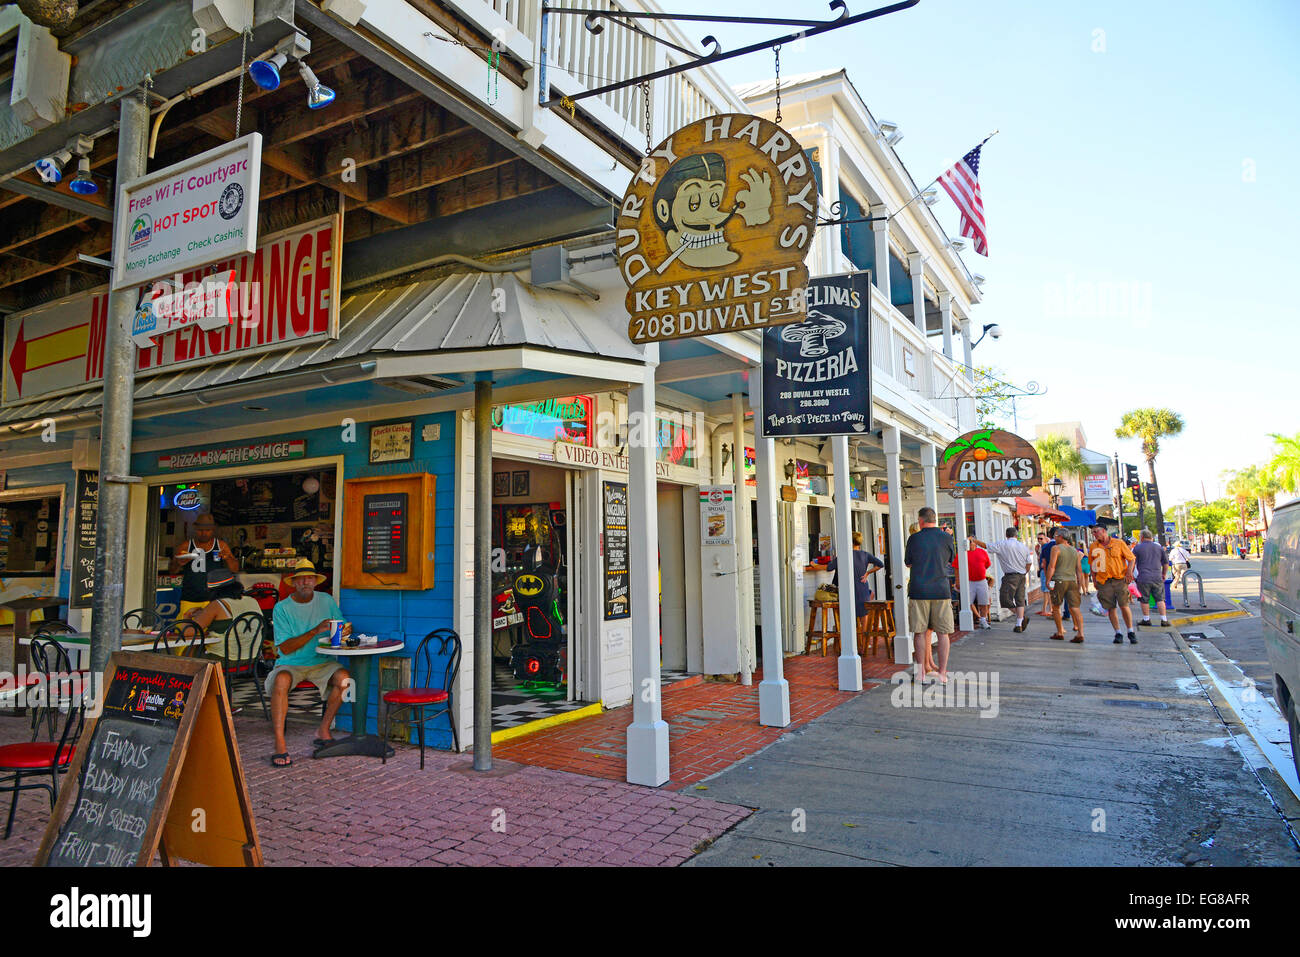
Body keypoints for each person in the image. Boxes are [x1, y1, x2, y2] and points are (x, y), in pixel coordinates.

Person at [267, 559, 352, 767]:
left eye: (310, 578)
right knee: (281, 679)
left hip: (322, 662)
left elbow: (341, 626)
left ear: (316, 581)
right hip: (291, 663)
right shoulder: (282, 608)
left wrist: (345, 632)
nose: (306, 582)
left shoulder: (327, 600)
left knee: (345, 679)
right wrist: (315, 630)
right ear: (294, 583)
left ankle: (323, 729)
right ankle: (279, 743)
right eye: (301, 579)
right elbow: (285, 648)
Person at [904, 507, 956, 684]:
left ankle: (920, 674)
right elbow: (950, 560)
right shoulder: (947, 538)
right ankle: (942, 673)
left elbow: (908, 562)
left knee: (919, 632)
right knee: (943, 633)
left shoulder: (914, 538)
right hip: (941, 589)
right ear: (935, 519)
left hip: (919, 590)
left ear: (920, 520)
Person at [168, 513, 239, 617]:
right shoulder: (186, 546)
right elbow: (172, 570)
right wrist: (179, 563)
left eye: (207, 530)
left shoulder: (221, 545)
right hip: (190, 598)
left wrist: (227, 558)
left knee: (213, 632)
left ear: (213, 530)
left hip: (214, 599)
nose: (204, 533)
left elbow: (235, 569)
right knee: (187, 630)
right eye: (200, 530)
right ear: (195, 529)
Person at [827, 530, 885, 629]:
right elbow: (880, 564)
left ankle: (848, 639)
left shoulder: (844, 555)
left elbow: (829, 568)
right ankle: (864, 642)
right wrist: (867, 573)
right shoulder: (865, 554)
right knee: (864, 614)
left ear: (850, 542)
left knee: (846, 614)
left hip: (847, 589)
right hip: (862, 588)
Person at [1089, 525, 1138, 644]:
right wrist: (1094, 580)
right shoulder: (1094, 546)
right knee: (1110, 608)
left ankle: (1130, 631)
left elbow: (1131, 558)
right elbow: (1093, 565)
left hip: (1119, 579)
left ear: (1104, 531)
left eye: (1096, 532)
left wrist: (1129, 572)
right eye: (1093, 533)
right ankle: (1118, 633)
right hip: (1104, 581)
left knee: (1124, 605)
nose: (1094, 534)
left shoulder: (1118, 543)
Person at [183, 572, 263, 638]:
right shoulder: (252, 600)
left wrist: (187, 615)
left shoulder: (217, 605)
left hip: (224, 655)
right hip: (252, 655)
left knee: (189, 651)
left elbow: (188, 632)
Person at [988, 527, 1034, 632]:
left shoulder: (1002, 544)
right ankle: (1019, 624)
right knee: (1020, 599)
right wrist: (1025, 572)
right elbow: (1029, 562)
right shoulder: (1023, 546)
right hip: (1021, 575)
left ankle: (1021, 619)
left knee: (1005, 599)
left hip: (1010, 576)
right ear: (1016, 535)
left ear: (1006, 535)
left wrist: (974, 541)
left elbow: (986, 546)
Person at [1047, 528, 1087, 642]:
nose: (1054, 538)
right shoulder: (1075, 551)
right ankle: (1080, 633)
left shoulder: (1056, 548)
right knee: (1075, 608)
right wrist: (1080, 585)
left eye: (1056, 536)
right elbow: (1079, 570)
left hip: (1059, 580)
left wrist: (1048, 580)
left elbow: (1052, 566)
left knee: (1055, 607)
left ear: (1061, 537)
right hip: (1072, 581)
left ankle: (1060, 632)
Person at [1132, 529, 1171, 627]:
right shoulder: (1159, 548)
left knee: (1144, 599)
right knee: (1160, 599)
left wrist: (1131, 574)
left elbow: (1132, 562)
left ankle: (1146, 619)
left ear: (1141, 537)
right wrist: (1163, 574)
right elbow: (1165, 564)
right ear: (1151, 537)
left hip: (1143, 578)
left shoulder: (1137, 548)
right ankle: (1164, 619)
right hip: (1157, 577)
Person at [955, 538, 994, 629]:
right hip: (968, 581)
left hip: (981, 580)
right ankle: (978, 618)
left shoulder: (982, 552)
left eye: (970, 541)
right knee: (967, 601)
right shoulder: (962, 553)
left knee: (984, 601)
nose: (969, 543)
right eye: (967, 542)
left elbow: (987, 564)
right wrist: (958, 581)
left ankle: (983, 620)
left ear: (975, 542)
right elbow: (956, 567)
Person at [1036, 531, 1055, 616]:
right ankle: (1050, 609)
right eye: (1038, 538)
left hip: (1046, 571)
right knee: (1048, 590)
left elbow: (1043, 561)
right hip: (1045, 570)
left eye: (1041, 538)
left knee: (1046, 590)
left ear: (1046, 538)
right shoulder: (1041, 547)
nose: (1039, 540)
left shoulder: (1046, 547)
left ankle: (1045, 609)